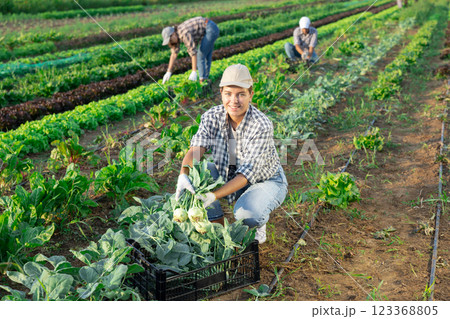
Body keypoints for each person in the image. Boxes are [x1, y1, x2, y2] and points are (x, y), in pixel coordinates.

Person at [174, 64, 288, 244]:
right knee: (197, 176)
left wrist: (213, 195)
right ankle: (217, 231)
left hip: (265, 180)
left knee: (246, 215)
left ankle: (258, 220)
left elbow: (246, 175)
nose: (234, 100)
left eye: (241, 94)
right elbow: (197, 148)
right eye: (228, 94)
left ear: (251, 94)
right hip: (230, 173)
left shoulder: (261, 125)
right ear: (221, 93)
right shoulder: (212, 116)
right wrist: (183, 174)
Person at [161, 16, 219, 84]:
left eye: (170, 40)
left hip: (210, 28)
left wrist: (194, 71)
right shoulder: (176, 35)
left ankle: (202, 81)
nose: (170, 42)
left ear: (173, 34)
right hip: (207, 28)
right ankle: (204, 80)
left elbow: (193, 51)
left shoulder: (184, 33)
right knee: (206, 55)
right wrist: (168, 71)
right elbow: (174, 54)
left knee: (201, 55)